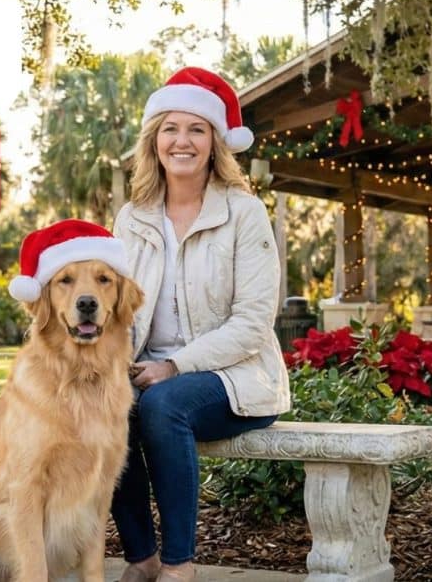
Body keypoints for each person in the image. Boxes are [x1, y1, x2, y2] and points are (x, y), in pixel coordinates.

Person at [110, 67, 291, 582]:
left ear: (215, 143)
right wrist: (115, 363)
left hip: (235, 377)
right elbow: (119, 309)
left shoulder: (244, 212)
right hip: (149, 371)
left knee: (164, 404)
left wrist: (175, 365)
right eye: (171, 128)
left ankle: (179, 564)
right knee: (109, 404)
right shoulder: (133, 216)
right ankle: (141, 555)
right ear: (155, 141)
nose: (182, 141)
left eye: (196, 129)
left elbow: (254, 322)